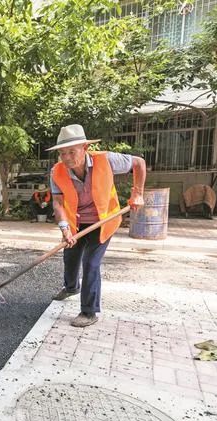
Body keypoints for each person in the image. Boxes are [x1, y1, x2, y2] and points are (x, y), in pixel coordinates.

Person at [48, 124, 146, 327]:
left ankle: (89, 311)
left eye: (72, 151)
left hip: (103, 221)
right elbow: (58, 203)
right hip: (75, 222)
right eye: (63, 153)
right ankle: (71, 287)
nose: (67, 157)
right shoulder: (57, 172)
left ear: (85, 147)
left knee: (91, 263)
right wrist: (65, 229)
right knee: (70, 256)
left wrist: (137, 193)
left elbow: (139, 163)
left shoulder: (106, 160)